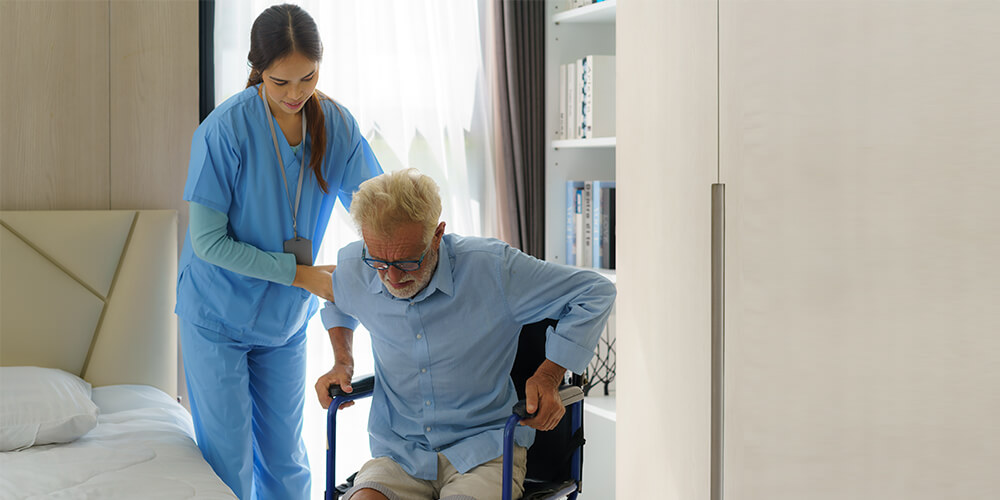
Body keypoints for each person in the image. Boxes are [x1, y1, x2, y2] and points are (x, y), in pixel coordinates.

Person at [175, 4, 383, 499]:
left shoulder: (335, 126)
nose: (295, 94)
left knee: (287, 464)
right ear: (258, 71)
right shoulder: (224, 130)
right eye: (279, 82)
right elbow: (207, 242)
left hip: (284, 322)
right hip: (217, 315)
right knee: (229, 465)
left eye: (307, 78)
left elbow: (377, 211)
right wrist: (301, 275)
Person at [314, 169, 616, 500]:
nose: (392, 277)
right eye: (379, 262)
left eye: (408, 262)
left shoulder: (493, 269)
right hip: (400, 454)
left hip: (485, 450)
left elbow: (594, 292)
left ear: (437, 234)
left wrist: (549, 374)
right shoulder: (358, 264)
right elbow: (338, 300)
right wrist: (342, 361)